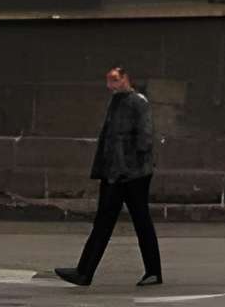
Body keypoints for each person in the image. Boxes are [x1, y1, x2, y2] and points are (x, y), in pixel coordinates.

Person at [55, 64, 161, 289]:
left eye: (115, 80)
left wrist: (127, 164)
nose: (110, 85)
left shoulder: (138, 102)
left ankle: (152, 271)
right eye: (109, 80)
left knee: (140, 221)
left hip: (132, 175)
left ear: (126, 79)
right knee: (104, 222)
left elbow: (145, 138)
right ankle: (84, 272)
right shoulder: (117, 102)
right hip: (115, 173)